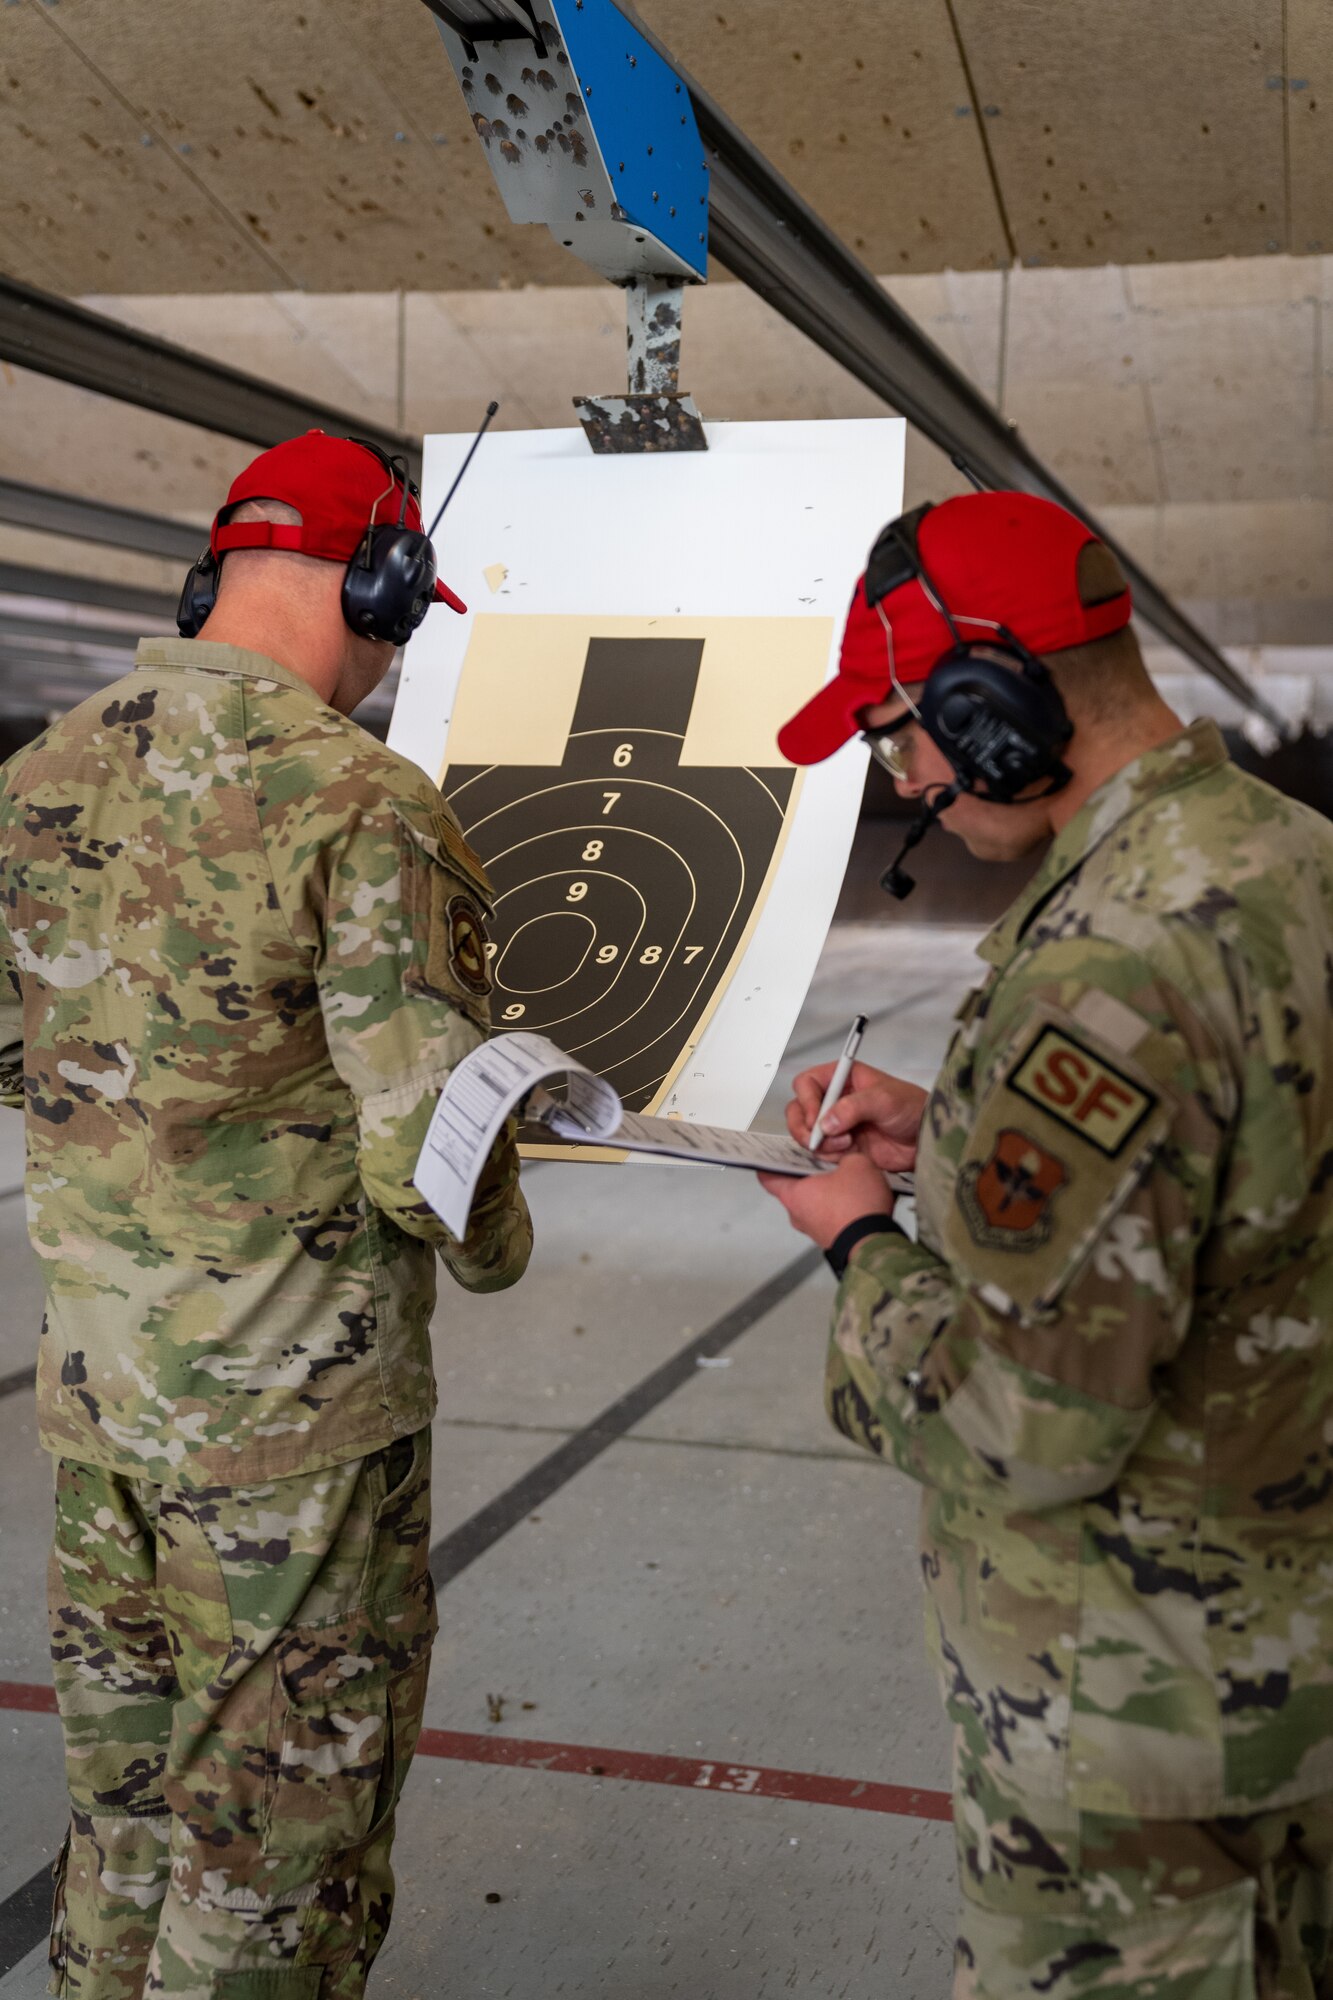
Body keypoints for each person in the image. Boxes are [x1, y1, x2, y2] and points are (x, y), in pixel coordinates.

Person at [762, 490, 1333, 1999]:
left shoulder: (1104, 963)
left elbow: (1025, 1427)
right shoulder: (1291, 855)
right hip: (1287, 1667)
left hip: (1137, 1721)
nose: (907, 780)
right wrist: (958, 1118)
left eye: (903, 734)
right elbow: (1245, 1172)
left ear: (991, 708)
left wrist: (858, 1241)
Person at [0, 432, 532, 1997]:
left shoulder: (35, 780)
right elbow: (422, 1152)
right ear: (383, 586)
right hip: (291, 1449)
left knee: (127, 1827)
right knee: (274, 1865)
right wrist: (504, 1222)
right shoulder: (362, 798)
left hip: (99, 1414)